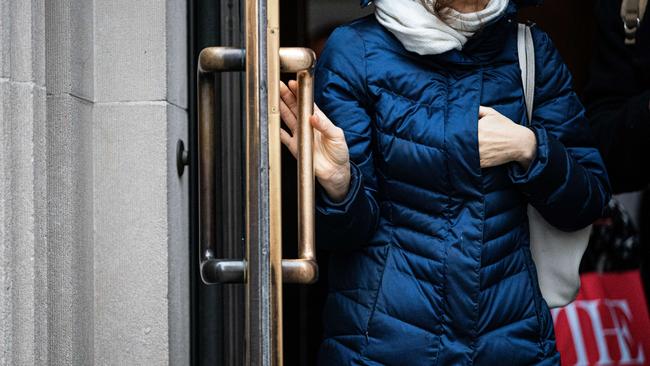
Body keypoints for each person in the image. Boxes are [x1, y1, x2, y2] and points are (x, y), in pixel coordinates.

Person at [279, 0, 611, 364]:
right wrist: (340, 186)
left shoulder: (530, 50)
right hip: (382, 348)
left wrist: (530, 149)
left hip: (512, 343)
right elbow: (341, 236)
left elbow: (589, 200)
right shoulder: (356, 50)